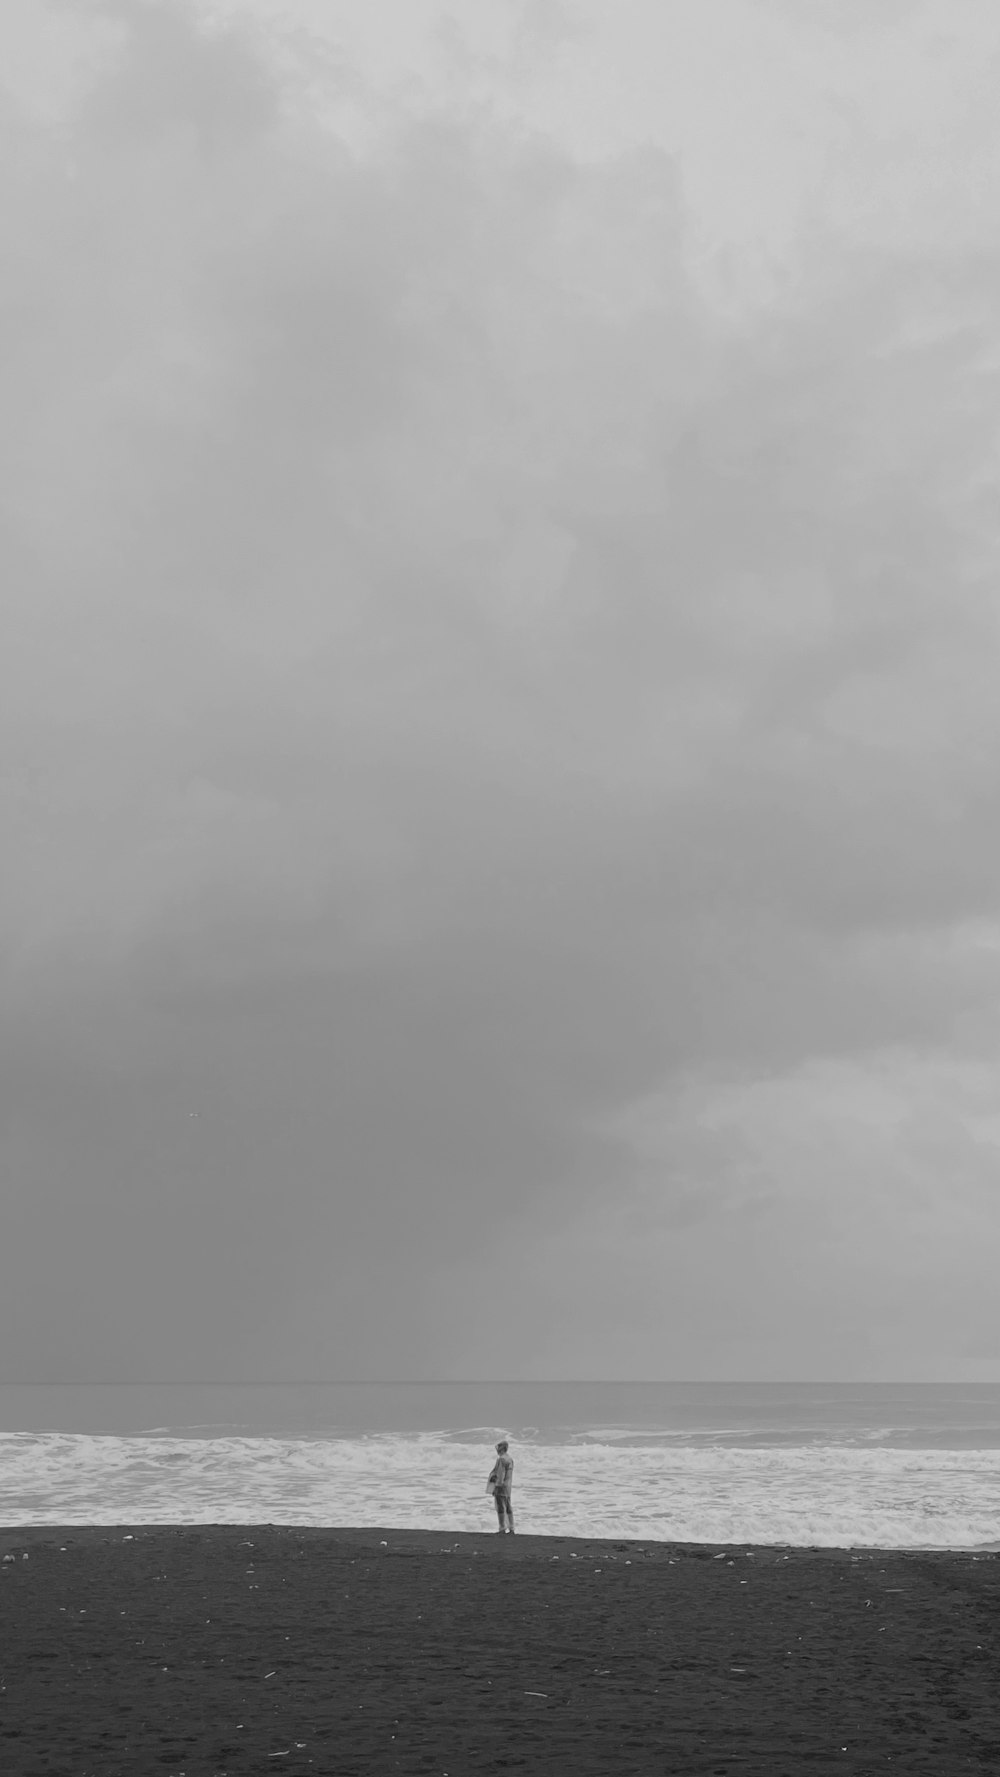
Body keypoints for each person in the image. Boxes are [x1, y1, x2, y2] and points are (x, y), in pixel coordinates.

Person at [488, 1440, 515, 1534]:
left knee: (500, 1507)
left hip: (501, 1487)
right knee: (508, 1507)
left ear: (502, 1448)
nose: (497, 1449)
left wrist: (496, 1487)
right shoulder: (510, 1459)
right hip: (508, 1487)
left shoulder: (501, 1459)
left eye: (499, 1447)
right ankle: (511, 1528)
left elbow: (500, 1474)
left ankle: (502, 1528)